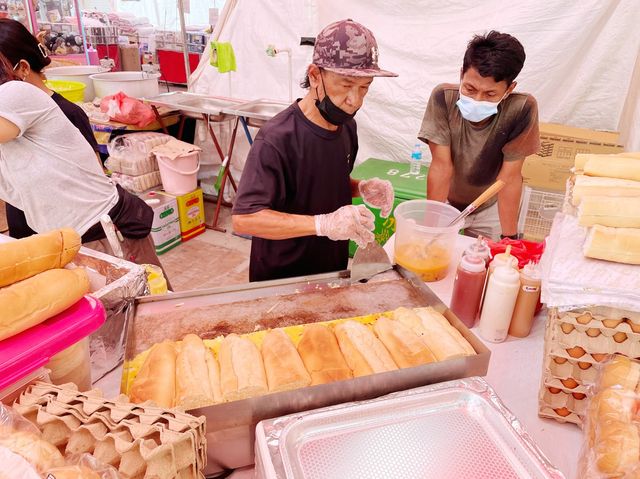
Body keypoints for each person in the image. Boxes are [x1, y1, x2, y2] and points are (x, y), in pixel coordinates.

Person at [232, 19, 397, 282]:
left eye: (364, 87)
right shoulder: (277, 138)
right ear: (314, 75)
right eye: (345, 85)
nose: (355, 101)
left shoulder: (347, 128)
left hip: (331, 268)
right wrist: (322, 225)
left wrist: (359, 187)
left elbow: (321, 182)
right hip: (282, 275)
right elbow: (246, 218)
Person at [0, 51, 170, 285]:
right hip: (66, 242)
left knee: (149, 310)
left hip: (102, 231)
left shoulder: (13, 93)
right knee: (104, 316)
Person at [418, 31, 540, 240]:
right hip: (448, 200)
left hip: (493, 204)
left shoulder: (522, 109)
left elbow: (509, 178)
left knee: (489, 263)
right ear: (461, 75)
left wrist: (508, 237)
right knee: (436, 252)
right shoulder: (443, 98)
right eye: (470, 88)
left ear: (509, 89)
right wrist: (431, 228)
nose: (478, 99)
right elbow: (441, 166)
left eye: (490, 94)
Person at [0, 18, 101, 239]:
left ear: (23, 68)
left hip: (77, 230)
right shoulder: (5, 120)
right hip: (27, 225)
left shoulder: (68, 113)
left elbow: (95, 175)